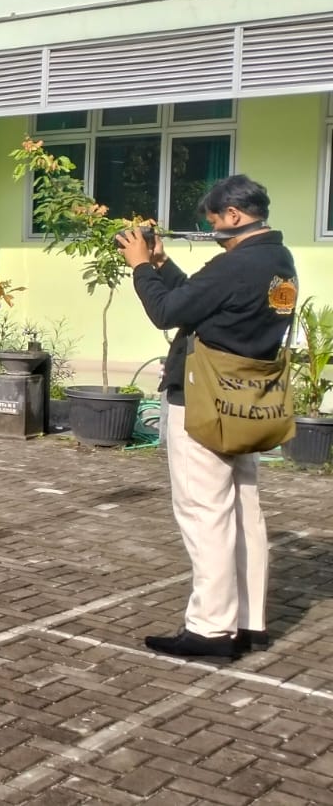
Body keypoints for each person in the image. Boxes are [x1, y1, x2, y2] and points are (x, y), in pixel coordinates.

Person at [120, 174, 298, 661]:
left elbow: (166, 312)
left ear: (235, 216)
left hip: (205, 399)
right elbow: (200, 303)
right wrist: (163, 265)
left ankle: (210, 628)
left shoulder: (234, 265)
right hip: (249, 400)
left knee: (205, 512)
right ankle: (248, 621)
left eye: (214, 220)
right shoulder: (279, 260)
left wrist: (140, 266)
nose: (212, 229)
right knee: (243, 509)